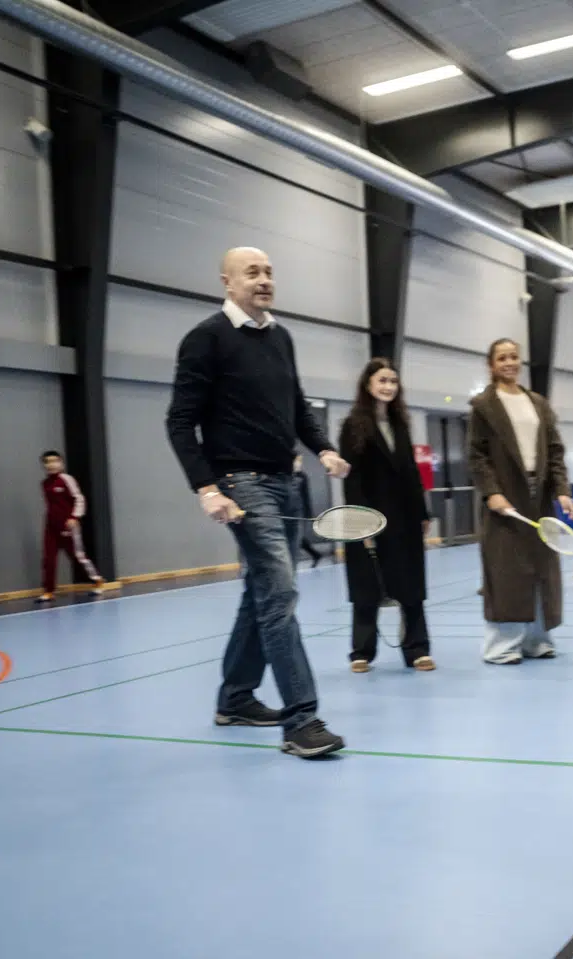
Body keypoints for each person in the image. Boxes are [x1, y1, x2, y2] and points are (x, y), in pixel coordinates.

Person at [165, 246, 350, 759]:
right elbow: (180, 421)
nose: (264, 279)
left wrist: (324, 449)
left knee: (261, 592)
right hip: (241, 484)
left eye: (269, 271)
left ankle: (236, 698)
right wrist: (207, 488)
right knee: (280, 593)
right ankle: (301, 720)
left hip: (285, 483)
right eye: (252, 272)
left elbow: (296, 405)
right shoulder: (206, 339)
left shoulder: (280, 337)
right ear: (227, 282)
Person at [467, 338, 573, 665]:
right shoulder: (483, 406)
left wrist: (562, 491)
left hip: (539, 499)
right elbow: (476, 456)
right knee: (507, 574)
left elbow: (555, 452)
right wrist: (492, 492)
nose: (509, 363)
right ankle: (501, 647)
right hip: (505, 501)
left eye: (514, 357)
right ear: (491, 365)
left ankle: (536, 640)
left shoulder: (538, 404)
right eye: (502, 358)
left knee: (543, 570)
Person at [337, 358, 434, 673]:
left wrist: (422, 513)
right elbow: (352, 478)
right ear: (368, 385)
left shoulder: (401, 424)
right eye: (382, 380)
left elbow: (411, 473)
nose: (388, 386)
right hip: (367, 517)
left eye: (393, 381)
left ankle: (417, 649)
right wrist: (360, 520)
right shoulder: (352, 425)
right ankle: (361, 652)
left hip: (405, 518)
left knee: (411, 585)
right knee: (366, 586)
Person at [37, 450, 105, 602]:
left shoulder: (67, 480)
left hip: (68, 526)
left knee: (77, 556)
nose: (51, 464)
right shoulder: (45, 484)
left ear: (61, 463)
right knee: (48, 559)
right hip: (51, 527)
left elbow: (79, 499)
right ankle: (48, 591)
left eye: (54, 461)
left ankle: (97, 580)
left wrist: (74, 517)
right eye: (47, 462)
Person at [291, 455, 324, 567]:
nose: (298, 463)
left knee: (297, 537)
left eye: (299, 461)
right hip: (290, 511)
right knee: (296, 537)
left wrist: (309, 513)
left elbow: (306, 496)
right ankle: (315, 554)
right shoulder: (288, 476)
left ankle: (315, 554)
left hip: (301, 512)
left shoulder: (302, 477)